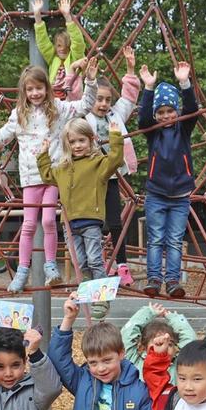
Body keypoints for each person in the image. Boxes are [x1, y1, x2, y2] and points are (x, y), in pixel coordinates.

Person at [0, 64, 94, 293]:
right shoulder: (18, 115)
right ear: (24, 91)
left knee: (48, 221)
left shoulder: (57, 108)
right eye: (30, 89)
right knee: (28, 224)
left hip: (52, 175)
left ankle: (50, 266)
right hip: (30, 178)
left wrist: (91, 82)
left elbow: (84, 106)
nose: (35, 93)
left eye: (39, 88)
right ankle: (22, 270)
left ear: (46, 88)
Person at [64, 49, 141, 282]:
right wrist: (76, 73)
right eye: (99, 98)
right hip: (88, 179)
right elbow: (71, 95)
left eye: (107, 99)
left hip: (111, 176)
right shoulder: (82, 117)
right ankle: (92, 266)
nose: (104, 103)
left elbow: (128, 98)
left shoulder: (116, 115)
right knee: (92, 223)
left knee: (116, 222)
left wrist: (130, 70)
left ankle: (122, 265)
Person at [38, 117, 124, 319]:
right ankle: (88, 294)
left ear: (91, 140)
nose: (77, 145)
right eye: (72, 141)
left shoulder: (98, 164)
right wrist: (43, 154)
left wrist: (115, 136)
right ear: (67, 144)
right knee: (81, 264)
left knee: (95, 261)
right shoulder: (63, 167)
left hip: (90, 221)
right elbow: (47, 175)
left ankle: (102, 299)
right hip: (69, 225)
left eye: (81, 141)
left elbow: (116, 159)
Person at [137, 61, 198, 298]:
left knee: (173, 240)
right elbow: (143, 119)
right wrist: (149, 88)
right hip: (156, 195)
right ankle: (154, 278)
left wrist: (184, 82)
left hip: (181, 196)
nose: (166, 116)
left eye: (170, 111)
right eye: (160, 113)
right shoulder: (153, 132)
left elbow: (192, 107)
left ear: (177, 111)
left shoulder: (183, 129)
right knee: (155, 239)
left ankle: (172, 280)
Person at [32, 0, 85, 95]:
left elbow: (78, 43)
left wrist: (67, 16)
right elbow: (43, 42)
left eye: (67, 45)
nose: (63, 49)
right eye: (59, 45)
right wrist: (37, 16)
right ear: (55, 46)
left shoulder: (74, 58)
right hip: (55, 99)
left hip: (71, 98)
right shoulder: (53, 58)